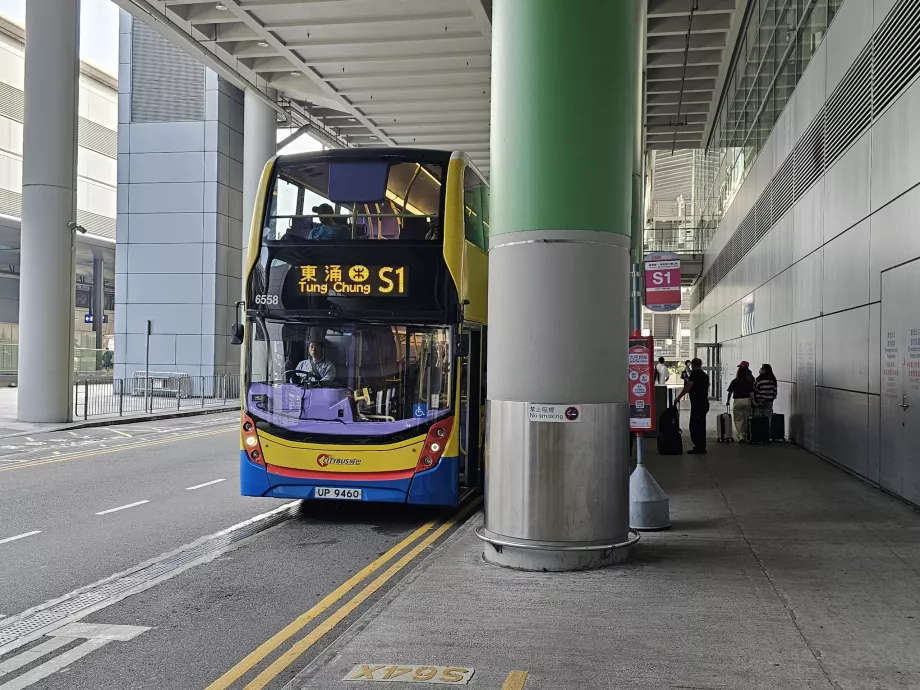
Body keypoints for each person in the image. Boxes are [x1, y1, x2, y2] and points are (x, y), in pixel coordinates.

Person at [675, 357, 709, 454]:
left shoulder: (695, 374)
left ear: (693, 364)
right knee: (701, 425)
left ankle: (699, 447)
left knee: (694, 425)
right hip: (704, 403)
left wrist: (679, 397)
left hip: (698, 404)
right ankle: (701, 446)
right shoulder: (705, 375)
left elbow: (688, 387)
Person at [726, 361, 756, 442]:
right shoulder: (750, 380)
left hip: (737, 401)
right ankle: (746, 434)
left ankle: (740, 436)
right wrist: (753, 401)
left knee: (738, 419)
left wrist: (728, 401)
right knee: (746, 418)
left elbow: (730, 392)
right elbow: (752, 392)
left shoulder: (735, 381)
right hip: (747, 400)